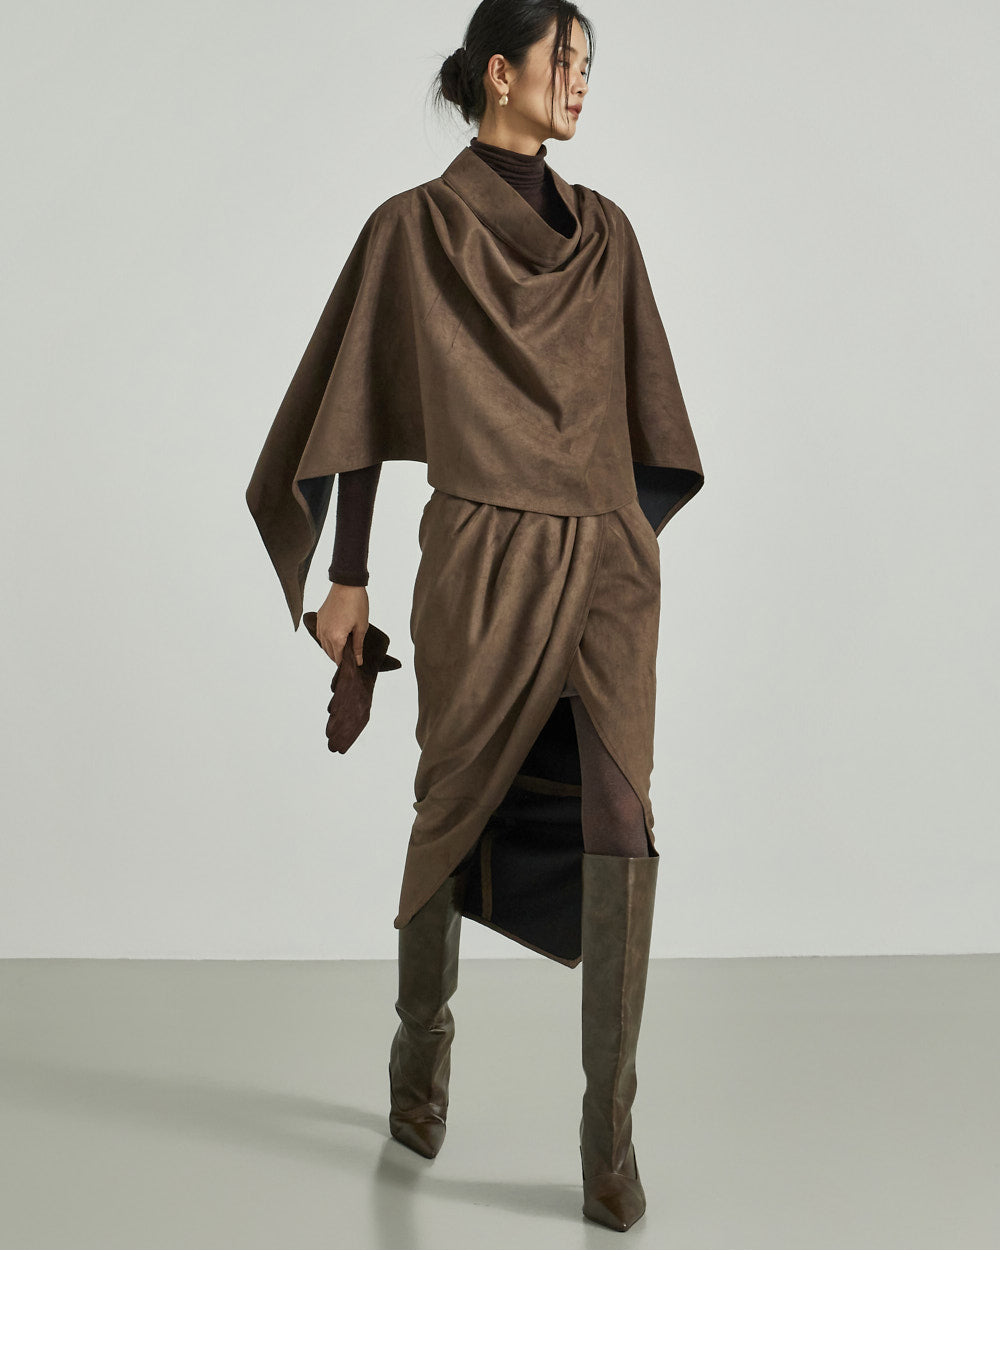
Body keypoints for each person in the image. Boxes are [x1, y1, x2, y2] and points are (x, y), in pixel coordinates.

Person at [245, 1, 705, 1233]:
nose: (581, 82)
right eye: (565, 61)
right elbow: (357, 412)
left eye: (591, 66)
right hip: (480, 556)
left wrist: (618, 536)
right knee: (451, 802)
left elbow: (645, 418)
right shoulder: (414, 228)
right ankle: (419, 1053)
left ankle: (607, 1141)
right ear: (500, 73)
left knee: (623, 816)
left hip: (605, 559)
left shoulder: (607, 235)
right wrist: (347, 580)